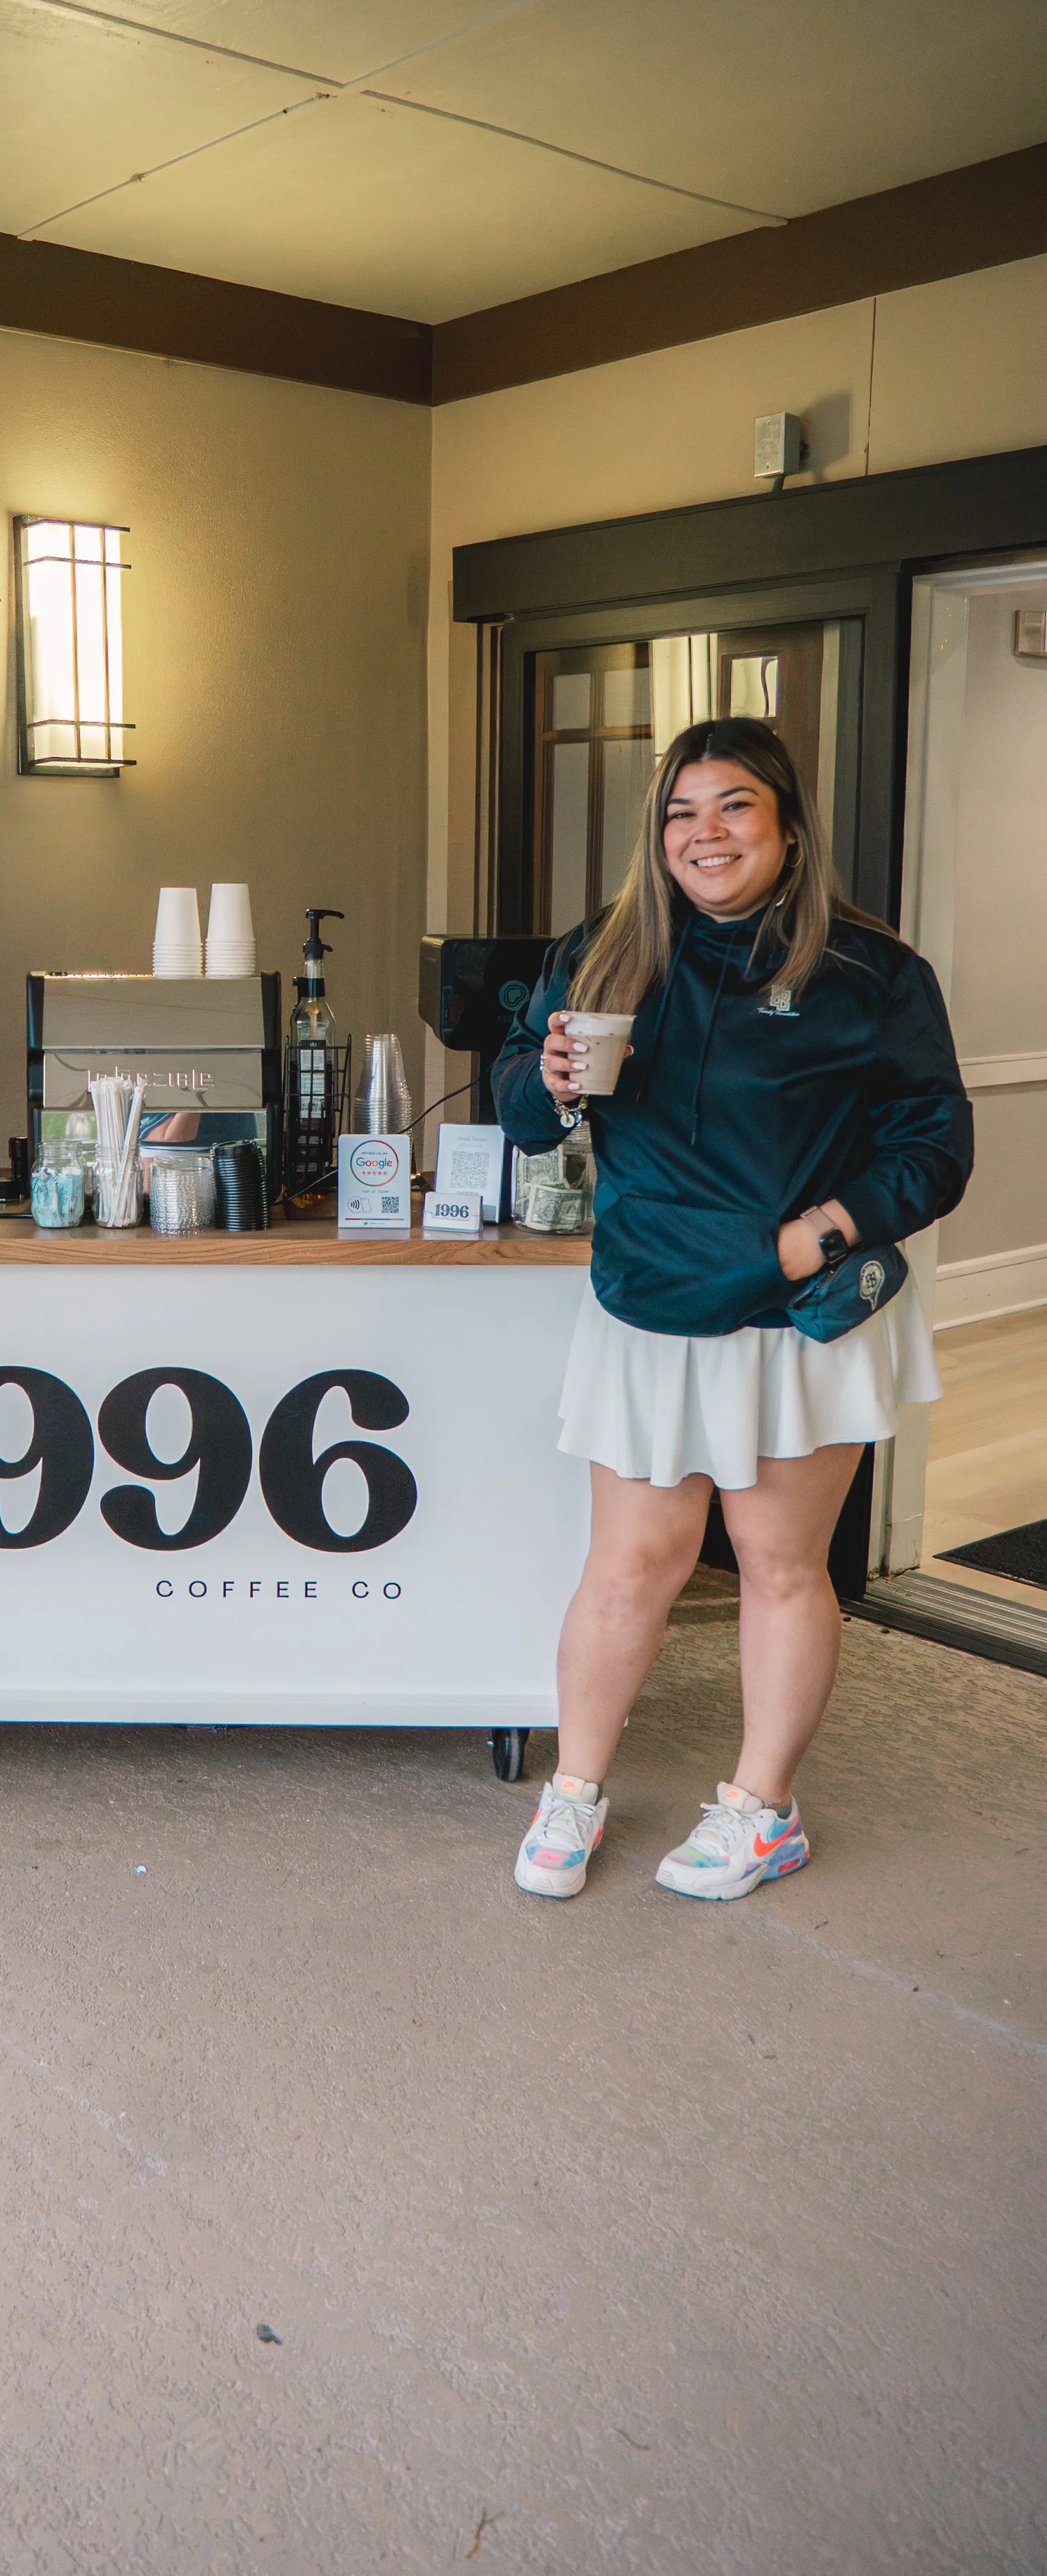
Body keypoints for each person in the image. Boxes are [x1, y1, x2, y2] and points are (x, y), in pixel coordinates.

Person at [494, 718, 971, 1903]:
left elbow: (937, 1145)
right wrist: (543, 1081)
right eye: (679, 814)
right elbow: (517, 1112)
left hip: (795, 1313)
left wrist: (818, 1233)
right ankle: (577, 1787)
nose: (703, 834)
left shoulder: (872, 975)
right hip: (652, 1298)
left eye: (734, 807)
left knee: (776, 1563)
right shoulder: (603, 955)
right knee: (630, 1565)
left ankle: (763, 1810)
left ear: (789, 823)